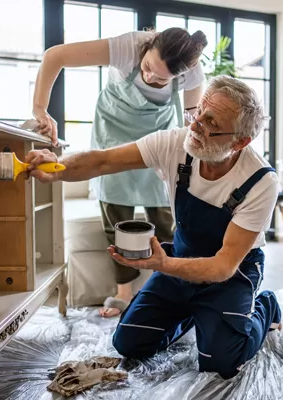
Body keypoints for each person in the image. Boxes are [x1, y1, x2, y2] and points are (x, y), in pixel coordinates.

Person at [26, 75, 282, 379]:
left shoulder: (260, 182)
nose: (195, 124)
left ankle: (267, 306)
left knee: (221, 364)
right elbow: (104, 161)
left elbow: (223, 266)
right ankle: (193, 313)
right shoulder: (177, 143)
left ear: (240, 141)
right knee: (129, 344)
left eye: (210, 122)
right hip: (181, 259)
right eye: (198, 111)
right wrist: (57, 168)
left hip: (231, 274)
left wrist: (164, 264)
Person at [32, 27, 208, 317]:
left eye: (162, 78)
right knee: (117, 217)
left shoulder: (192, 73)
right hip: (113, 131)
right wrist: (41, 109)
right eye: (149, 67)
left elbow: (191, 124)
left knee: (165, 220)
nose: (151, 77)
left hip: (157, 138)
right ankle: (123, 292)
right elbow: (55, 56)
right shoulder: (127, 47)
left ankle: (166, 291)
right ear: (148, 47)